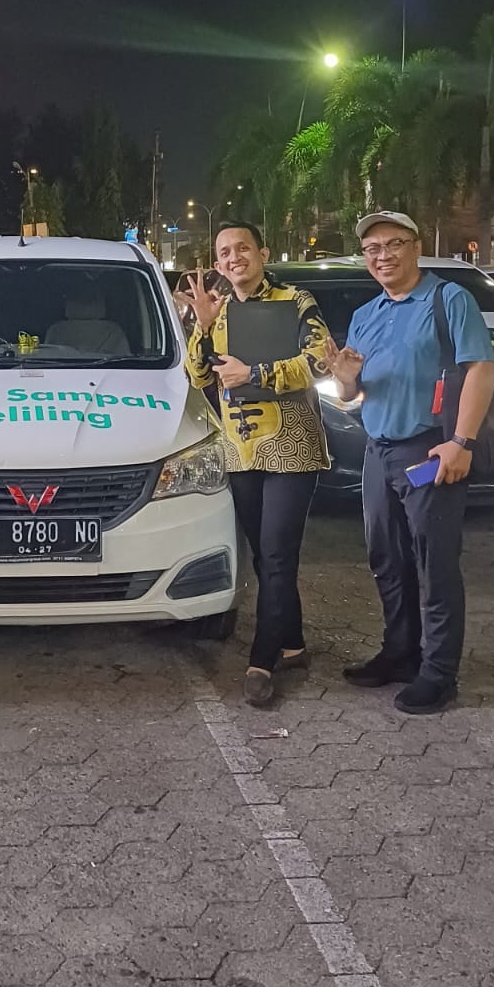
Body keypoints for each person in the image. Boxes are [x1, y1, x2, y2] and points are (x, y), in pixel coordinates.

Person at [326, 211, 494, 714]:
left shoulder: (448, 300)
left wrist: (461, 442)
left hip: (430, 450)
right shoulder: (366, 313)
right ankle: (400, 652)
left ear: (415, 246)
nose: (382, 255)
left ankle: (439, 674)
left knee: (433, 562)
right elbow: (351, 392)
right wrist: (346, 379)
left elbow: (480, 370)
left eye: (393, 244)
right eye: (372, 248)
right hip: (378, 452)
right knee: (387, 558)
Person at [184, 222, 332, 705]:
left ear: (262, 253)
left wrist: (257, 373)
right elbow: (197, 373)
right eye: (224, 252)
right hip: (241, 450)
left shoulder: (295, 300)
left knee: (276, 555)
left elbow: (320, 361)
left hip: (291, 447)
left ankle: (262, 659)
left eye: (242, 248)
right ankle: (294, 644)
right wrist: (203, 327)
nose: (233, 258)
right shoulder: (218, 310)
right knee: (267, 556)